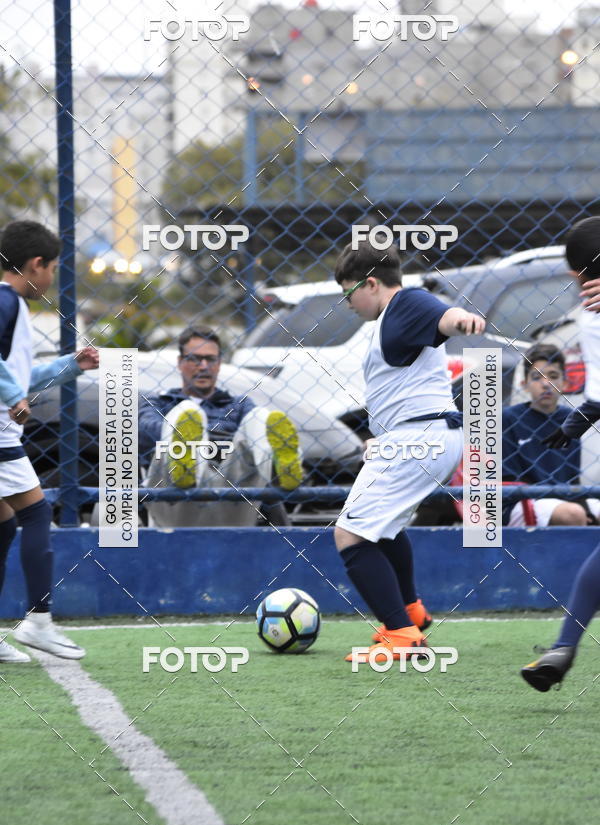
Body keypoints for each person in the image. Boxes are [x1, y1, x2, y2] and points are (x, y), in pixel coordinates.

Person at [333, 241, 485, 664]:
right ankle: (411, 612)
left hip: (419, 439)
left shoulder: (404, 303)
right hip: (422, 437)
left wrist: (463, 321)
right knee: (385, 527)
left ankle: (402, 634)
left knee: (350, 535)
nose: (347, 303)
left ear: (371, 283)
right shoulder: (392, 318)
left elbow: (443, 316)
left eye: (349, 293)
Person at [0, 220, 99, 663]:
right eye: (53, 267)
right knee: (37, 512)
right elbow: (10, 384)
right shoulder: (6, 302)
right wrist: (11, 396)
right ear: (36, 264)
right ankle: (39, 623)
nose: (53, 277)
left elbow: (21, 377)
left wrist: (72, 365)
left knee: (4, 526)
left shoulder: (11, 306)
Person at [522, 216, 600, 691]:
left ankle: (566, 643)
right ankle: (565, 643)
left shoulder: (591, 319)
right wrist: (570, 429)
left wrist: (571, 427)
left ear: (574, 276)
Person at [139, 326, 304, 527]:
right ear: (180, 362)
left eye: (210, 359)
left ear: (219, 364)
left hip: (231, 498)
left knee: (258, 419)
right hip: (175, 501)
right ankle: (185, 450)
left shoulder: (239, 405)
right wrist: (213, 441)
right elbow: (145, 432)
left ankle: (280, 468)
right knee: (179, 422)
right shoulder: (158, 402)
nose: (203, 366)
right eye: (194, 359)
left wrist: (206, 439)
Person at [503, 342, 600, 527]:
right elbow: (508, 479)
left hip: (564, 497)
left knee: (582, 511)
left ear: (564, 383)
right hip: (521, 499)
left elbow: (571, 478)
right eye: (537, 377)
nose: (546, 384)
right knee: (573, 514)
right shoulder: (508, 418)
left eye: (553, 376)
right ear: (524, 384)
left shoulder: (571, 419)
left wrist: (581, 503)